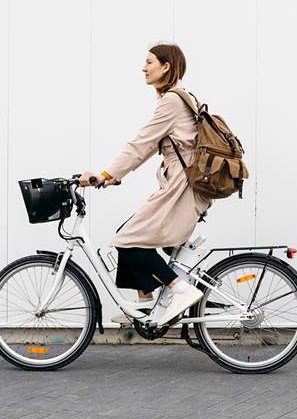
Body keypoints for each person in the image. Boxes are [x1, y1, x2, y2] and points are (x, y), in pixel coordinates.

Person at [80, 42, 212, 326]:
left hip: (182, 189)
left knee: (129, 239)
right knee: (127, 233)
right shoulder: (178, 99)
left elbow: (142, 143)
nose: (144, 67)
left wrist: (104, 174)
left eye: (149, 62)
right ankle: (146, 306)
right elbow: (151, 147)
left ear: (166, 66)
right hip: (180, 187)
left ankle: (181, 289)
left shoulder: (173, 101)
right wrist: (114, 176)